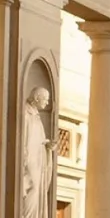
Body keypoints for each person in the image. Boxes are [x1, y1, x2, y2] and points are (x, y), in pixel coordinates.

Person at [21, 86, 53, 218]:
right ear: (36, 98)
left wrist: (48, 146)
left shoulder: (36, 116)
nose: (47, 102)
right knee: (32, 186)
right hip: (28, 158)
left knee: (37, 188)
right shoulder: (25, 112)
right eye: (45, 99)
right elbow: (22, 135)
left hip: (38, 159)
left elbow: (38, 139)